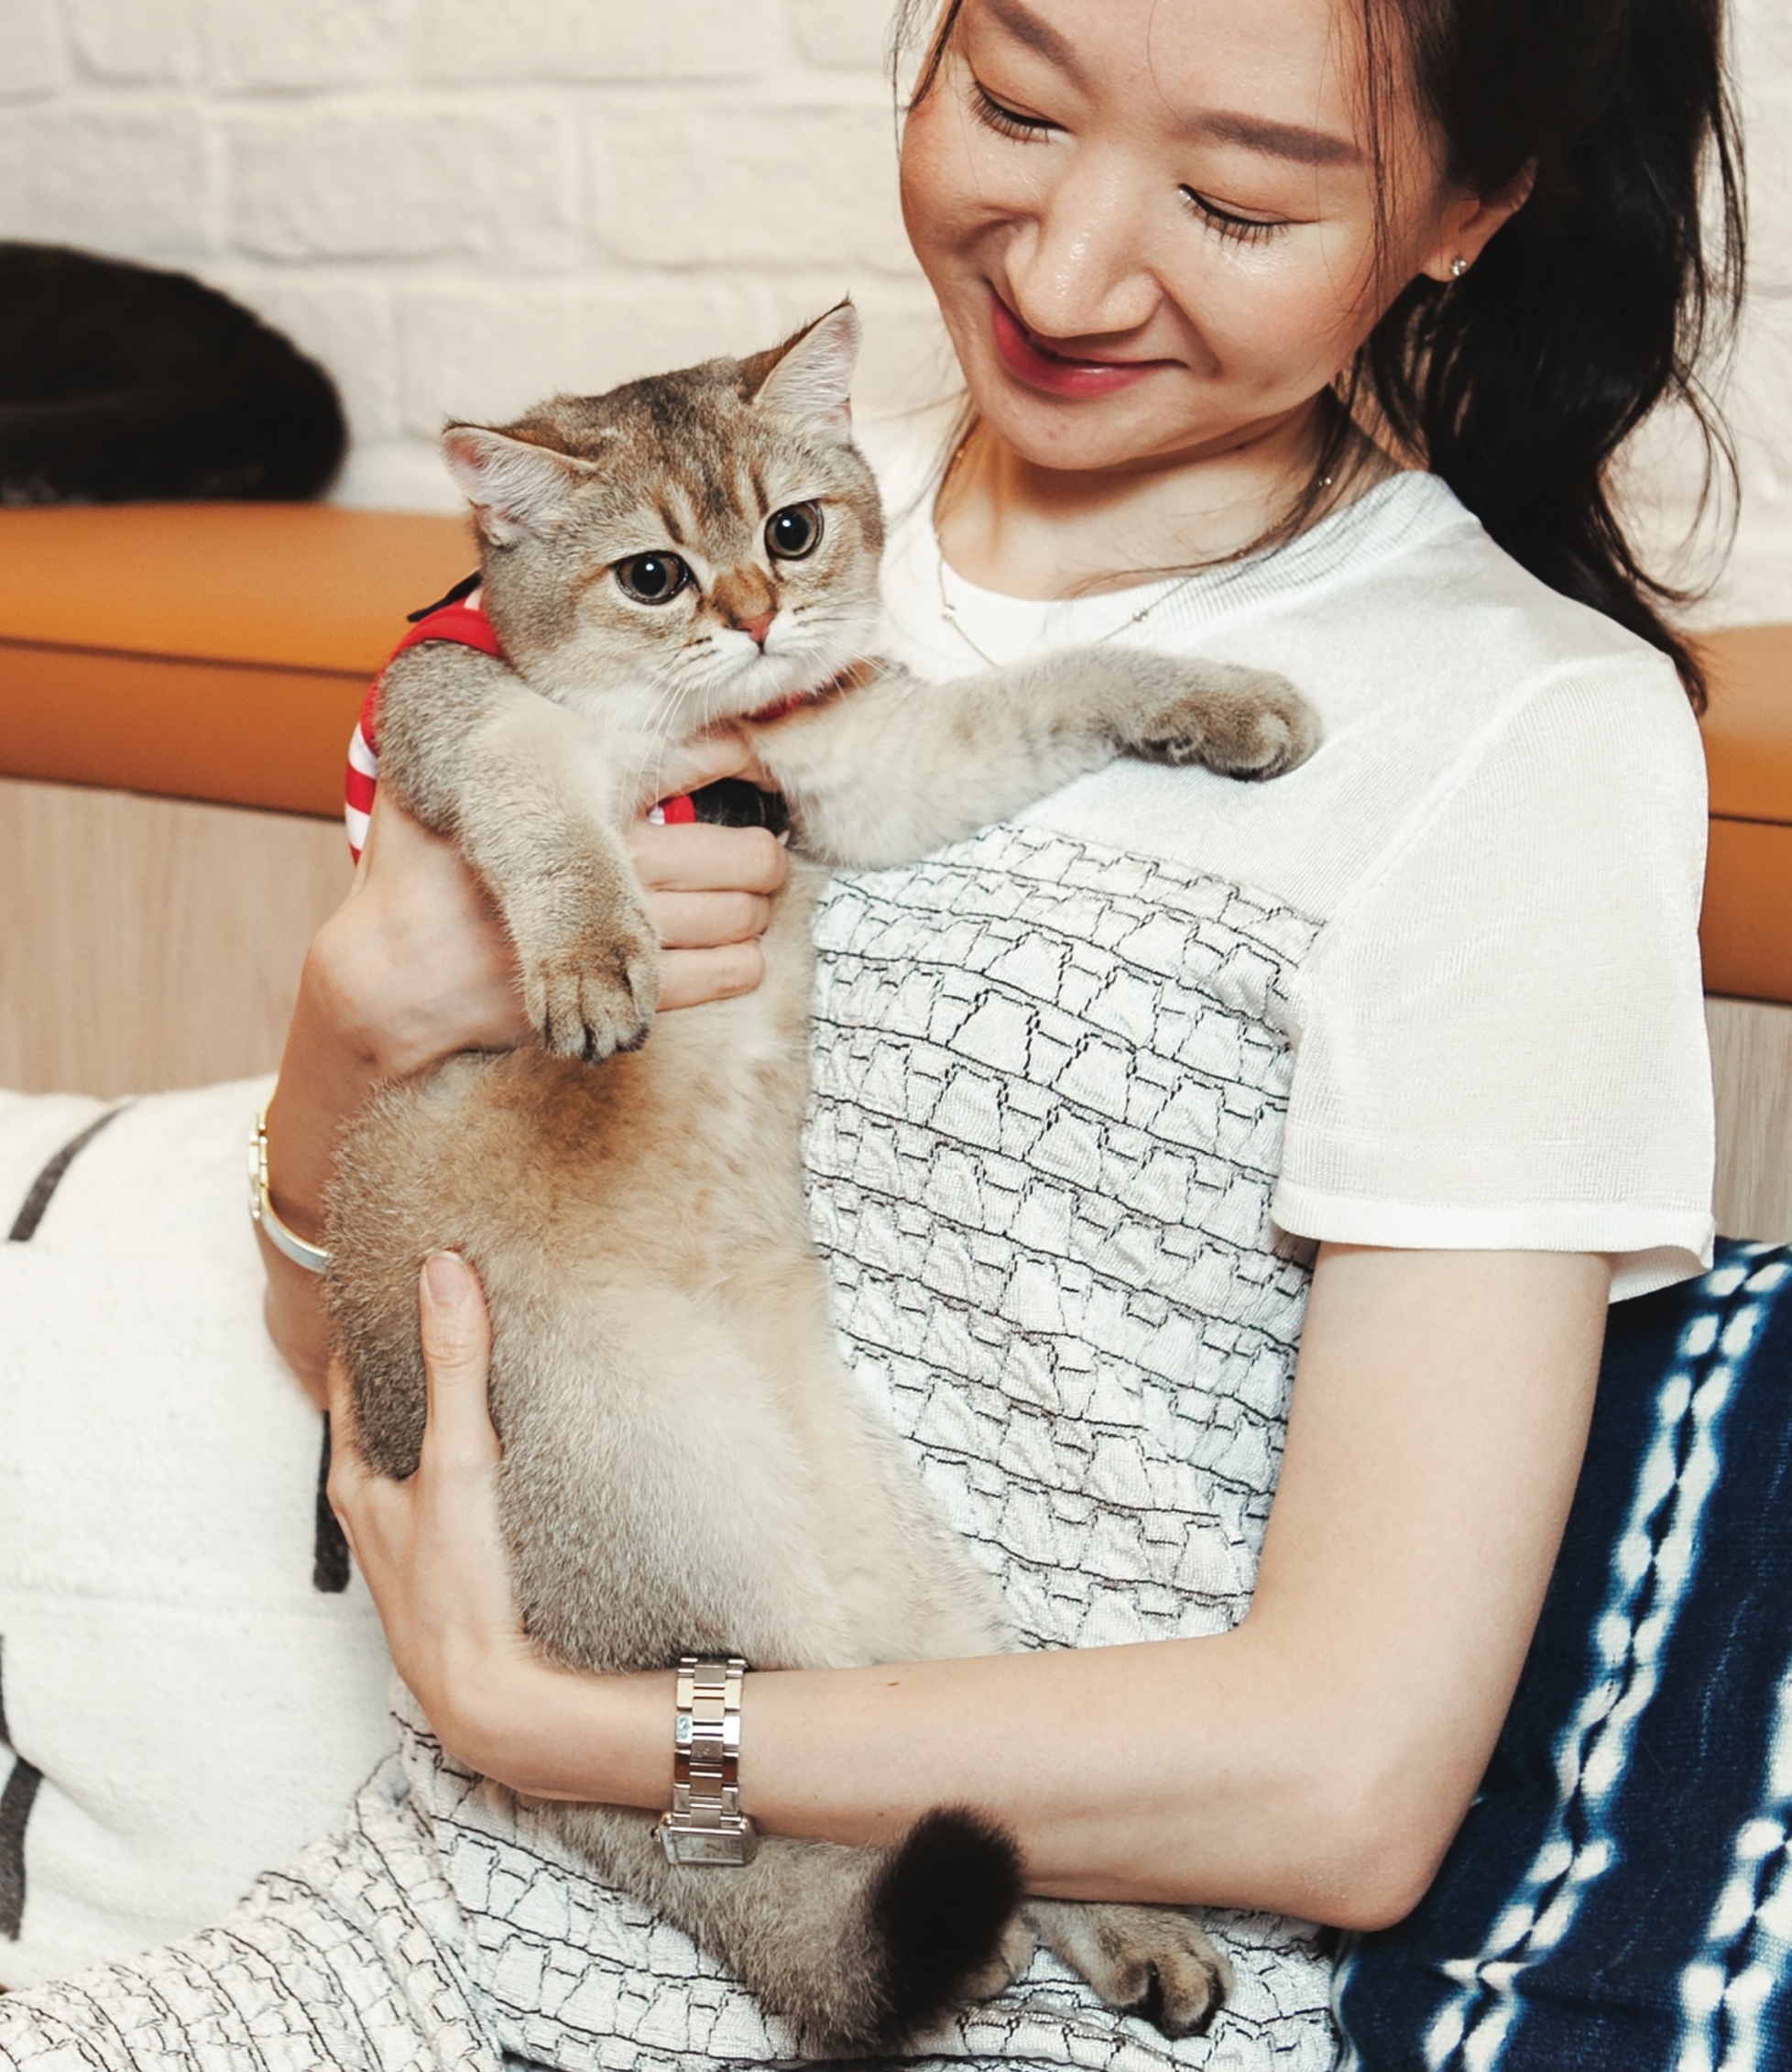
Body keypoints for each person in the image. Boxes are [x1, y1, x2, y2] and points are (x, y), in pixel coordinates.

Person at [0, 0, 1739, 2066]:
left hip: (1006, 1987)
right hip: (418, 1919)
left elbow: (1349, 1793)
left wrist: (567, 1724)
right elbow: (390, 1346)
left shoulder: (1527, 735)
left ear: (1477, 207)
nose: (1069, 271)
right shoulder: (732, 509)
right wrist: (338, 1037)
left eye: (1237, 198)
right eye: (1010, 101)